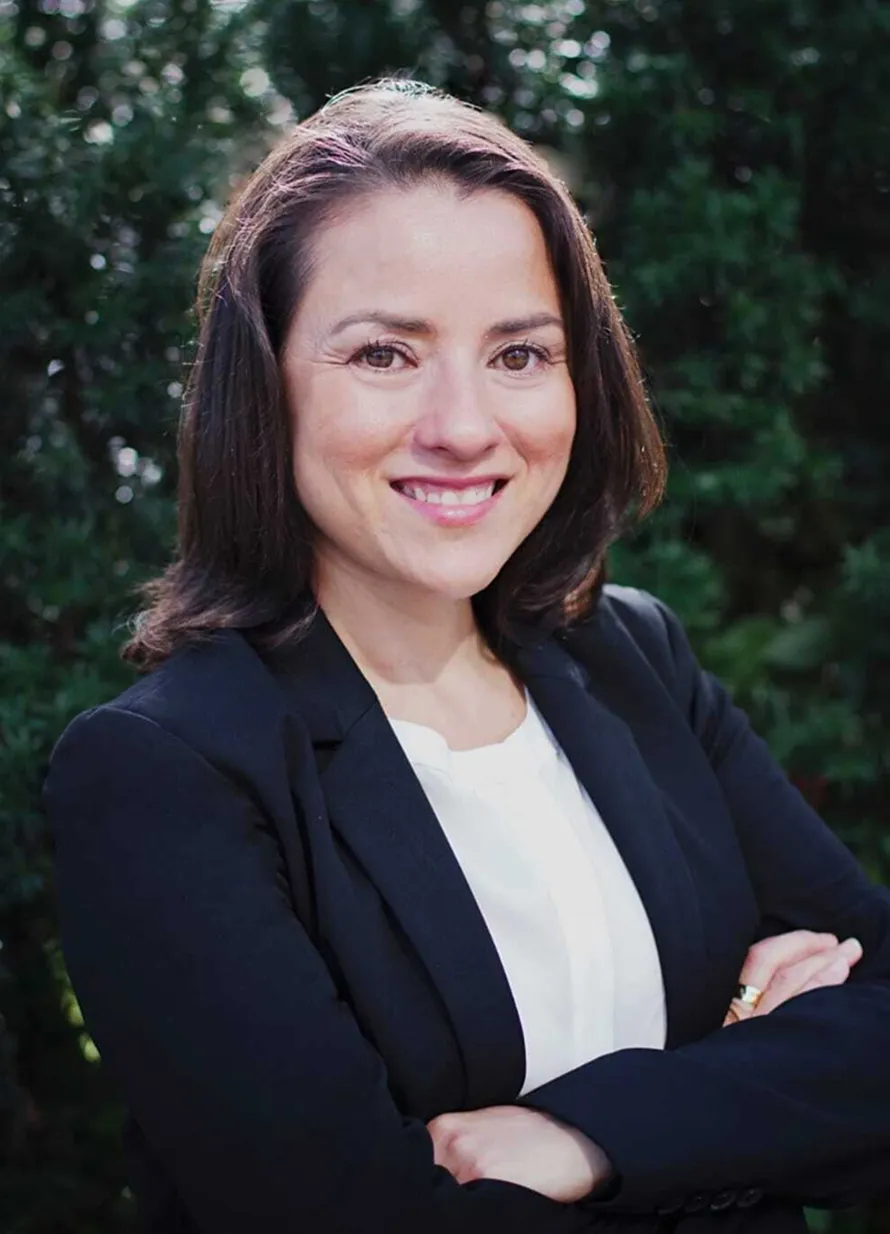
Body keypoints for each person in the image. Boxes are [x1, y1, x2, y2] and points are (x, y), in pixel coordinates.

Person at [44, 79, 890, 1234]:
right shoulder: (165, 774)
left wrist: (586, 1136)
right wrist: (764, 1094)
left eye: (519, 354)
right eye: (385, 354)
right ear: (264, 391)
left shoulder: (629, 656)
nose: (463, 425)